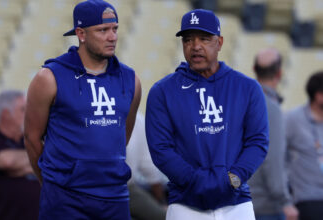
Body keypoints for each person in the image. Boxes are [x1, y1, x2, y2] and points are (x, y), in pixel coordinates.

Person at [145, 9, 269, 219]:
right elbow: (161, 149)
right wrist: (194, 181)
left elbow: (258, 142)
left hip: (236, 205)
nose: (195, 47)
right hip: (185, 205)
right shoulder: (162, 91)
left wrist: (234, 178)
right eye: (188, 40)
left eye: (204, 38)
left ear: (219, 42)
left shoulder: (247, 88)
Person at [23, 0, 141, 219]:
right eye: (103, 30)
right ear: (81, 33)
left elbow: (121, 136)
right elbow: (32, 139)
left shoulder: (130, 80)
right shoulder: (49, 77)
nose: (112, 36)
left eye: (115, 29)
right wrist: (52, 182)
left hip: (115, 197)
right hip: (65, 198)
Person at [0, 90, 40, 220]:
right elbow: (7, 161)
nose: (29, 114)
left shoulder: (31, 140)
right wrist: (39, 162)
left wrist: (22, 166)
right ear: (6, 114)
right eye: (23, 110)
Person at [248, 48, 299, 220]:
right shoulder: (271, 108)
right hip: (266, 206)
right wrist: (285, 201)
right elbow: (272, 158)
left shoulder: (240, 102)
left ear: (254, 70)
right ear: (279, 73)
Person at [285, 71, 323, 220]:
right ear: (319, 95)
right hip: (307, 200)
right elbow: (278, 159)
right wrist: (285, 201)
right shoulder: (293, 119)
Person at [126, 112, 167, 220]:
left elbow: (149, 168)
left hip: (127, 189)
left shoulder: (138, 120)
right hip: (123, 188)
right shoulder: (137, 119)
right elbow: (149, 167)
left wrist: (161, 201)